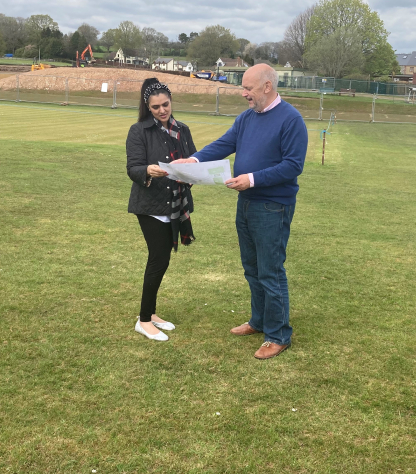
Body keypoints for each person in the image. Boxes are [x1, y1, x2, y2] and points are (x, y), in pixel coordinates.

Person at [173, 64, 308, 359]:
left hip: (273, 206)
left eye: (248, 88)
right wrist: (194, 161)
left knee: (270, 270)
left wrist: (252, 179)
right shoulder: (247, 118)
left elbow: (293, 165)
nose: (244, 93)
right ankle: (259, 321)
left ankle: (279, 334)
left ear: (267, 87)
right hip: (246, 203)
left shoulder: (291, 120)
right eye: (243, 88)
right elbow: (225, 144)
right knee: (252, 267)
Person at [126, 78, 197, 341]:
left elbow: (194, 160)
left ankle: (152, 313)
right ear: (148, 107)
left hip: (176, 203)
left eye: (165, 104)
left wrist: (192, 173)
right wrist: (148, 170)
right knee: (158, 259)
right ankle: (144, 320)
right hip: (150, 206)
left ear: (171, 102)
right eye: (155, 107)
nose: (162, 110)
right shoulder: (139, 131)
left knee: (163, 259)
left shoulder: (183, 130)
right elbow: (132, 168)